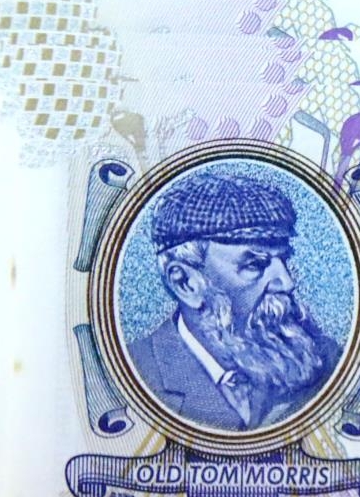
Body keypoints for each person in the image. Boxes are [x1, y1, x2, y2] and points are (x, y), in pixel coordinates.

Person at [128, 171, 341, 432]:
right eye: (254, 264)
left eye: (283, 260)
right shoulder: (138, 371)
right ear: (185, 283)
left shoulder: (327, 361)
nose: (286, 283)